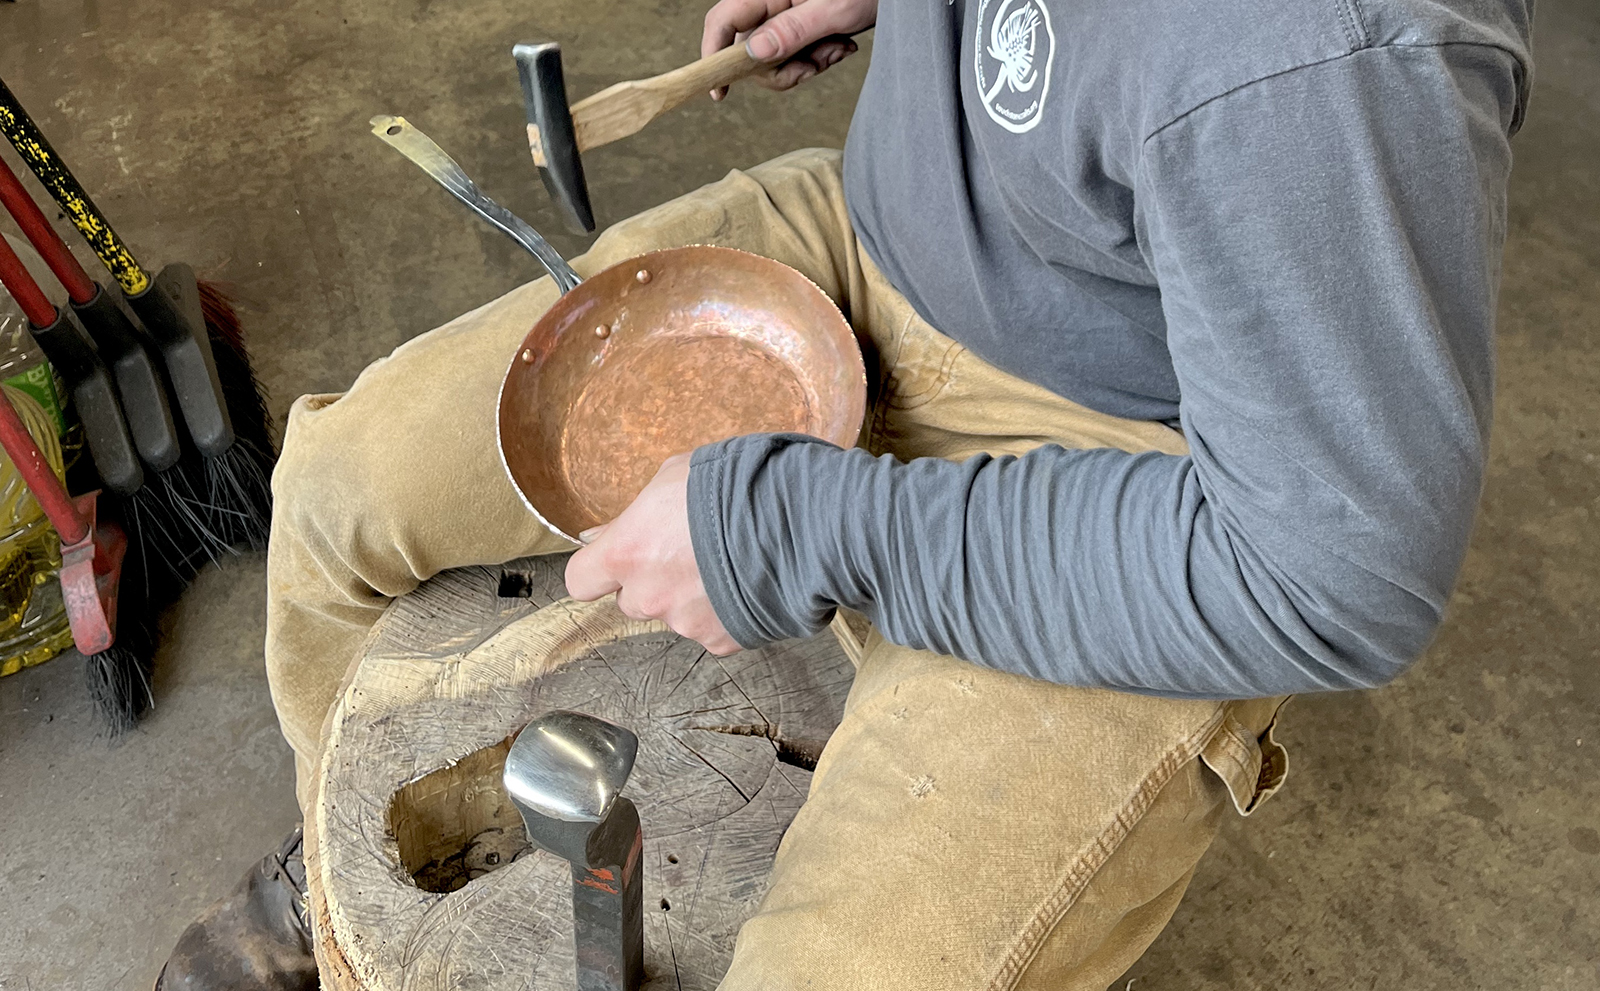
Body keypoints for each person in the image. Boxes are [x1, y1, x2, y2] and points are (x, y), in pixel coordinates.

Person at [157, 0, 1533, 987]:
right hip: (871, 240)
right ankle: (378, 862)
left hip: (1133, 457)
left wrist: (802, 526)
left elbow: (1331, 572)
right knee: (345, 492)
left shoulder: (1331, 55)